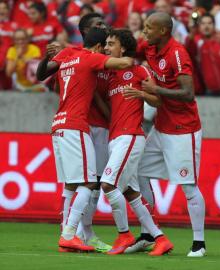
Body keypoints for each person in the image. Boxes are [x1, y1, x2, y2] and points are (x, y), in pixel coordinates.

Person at [44, 27, 133, 252]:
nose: (105, 50)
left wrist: (51, 55)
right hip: (76, 125)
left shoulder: (68, 55)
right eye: (104, 46)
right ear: (97, 47)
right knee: (90, 182)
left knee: (72, 183)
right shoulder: (90, 58)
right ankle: (68, 234)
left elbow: (44, 72)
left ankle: (67, 235)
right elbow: (122, 64)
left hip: (58, 124)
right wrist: (128, 53)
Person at [125, 12, 206, 257]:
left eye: (149, 27)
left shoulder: (177, 53)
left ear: (163, 31)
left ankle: (199, 243)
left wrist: (155, 89)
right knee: (138, 172)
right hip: (161, 127)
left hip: (183, 129)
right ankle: (149, 233)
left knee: (188, 186)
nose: (144, 31)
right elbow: (129, 50)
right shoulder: (150, 48)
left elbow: (188, 93)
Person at [37, 13, 112, 253]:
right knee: (89, 182)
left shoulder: (73, 54)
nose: (103, 27)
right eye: (98, 26)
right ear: (86, 31)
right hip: (79, 125)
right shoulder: (81, 56)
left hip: (87, 124)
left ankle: (79, 233)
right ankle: (73, 233)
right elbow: (44, 76)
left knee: (88, 183)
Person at [100, 28, 173, 256]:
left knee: (108, 185)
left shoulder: (139, 70)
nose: (106, 47)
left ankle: (124, 234)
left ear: (123, 47)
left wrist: (142, 95)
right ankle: (161, 239)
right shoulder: (110, 74)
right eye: (106, 44)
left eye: (111, 44)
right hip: (115, 137)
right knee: (131, 192)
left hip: (131, 135)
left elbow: (158, 101)